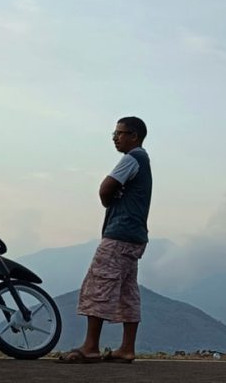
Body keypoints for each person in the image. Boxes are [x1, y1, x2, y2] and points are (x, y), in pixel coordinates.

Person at [59, 116, 152, 364]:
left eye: (120, 133)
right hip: (135, 238)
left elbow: (105, 188)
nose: (115, 137)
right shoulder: (144, 160)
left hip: (119, 234)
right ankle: (127, 349)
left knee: (98, 285)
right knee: (127, 291)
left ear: (134, 136)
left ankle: (90, 347)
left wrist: (108, 201)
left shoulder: (132, 158)